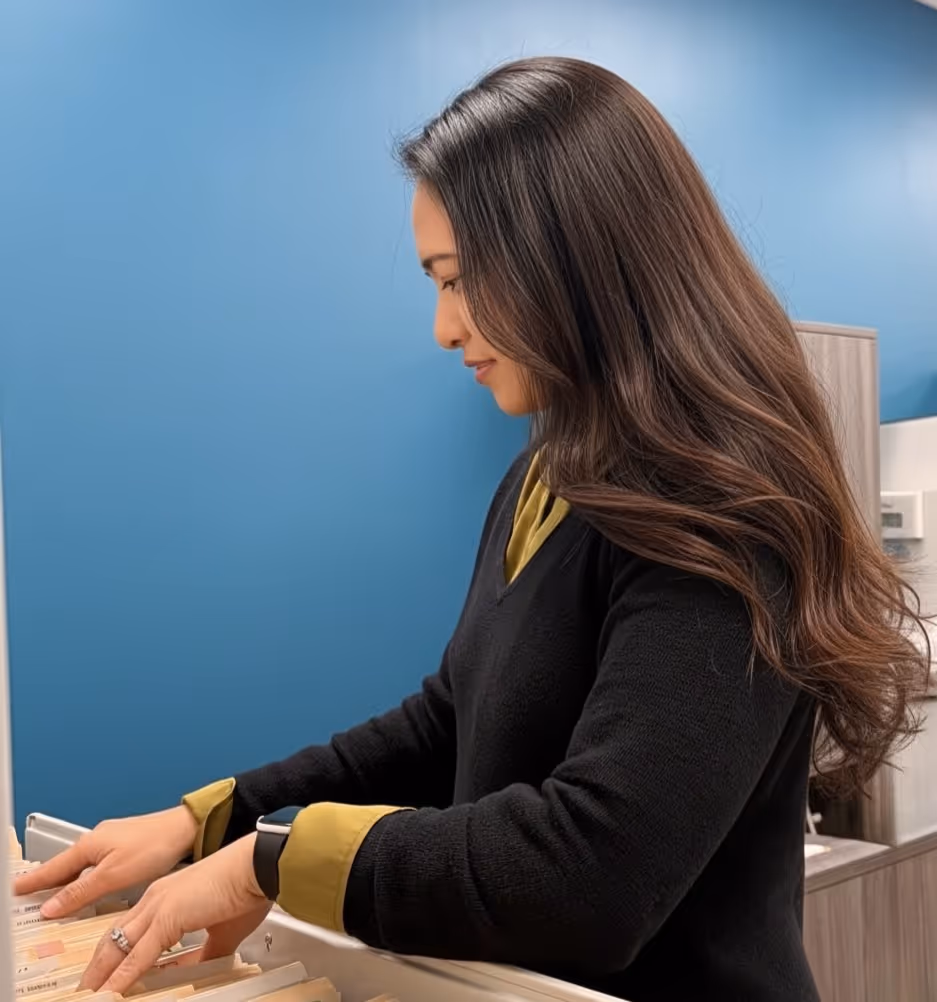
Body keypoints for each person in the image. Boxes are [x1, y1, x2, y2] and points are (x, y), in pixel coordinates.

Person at [16, 56, 929, 1002]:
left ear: (576, 258)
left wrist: (270, 861)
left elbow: (593, 873)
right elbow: (448, 720)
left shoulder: (722, 505)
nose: (445, 328)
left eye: (459, 281)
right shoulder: (546, 475)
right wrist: (207, 817)